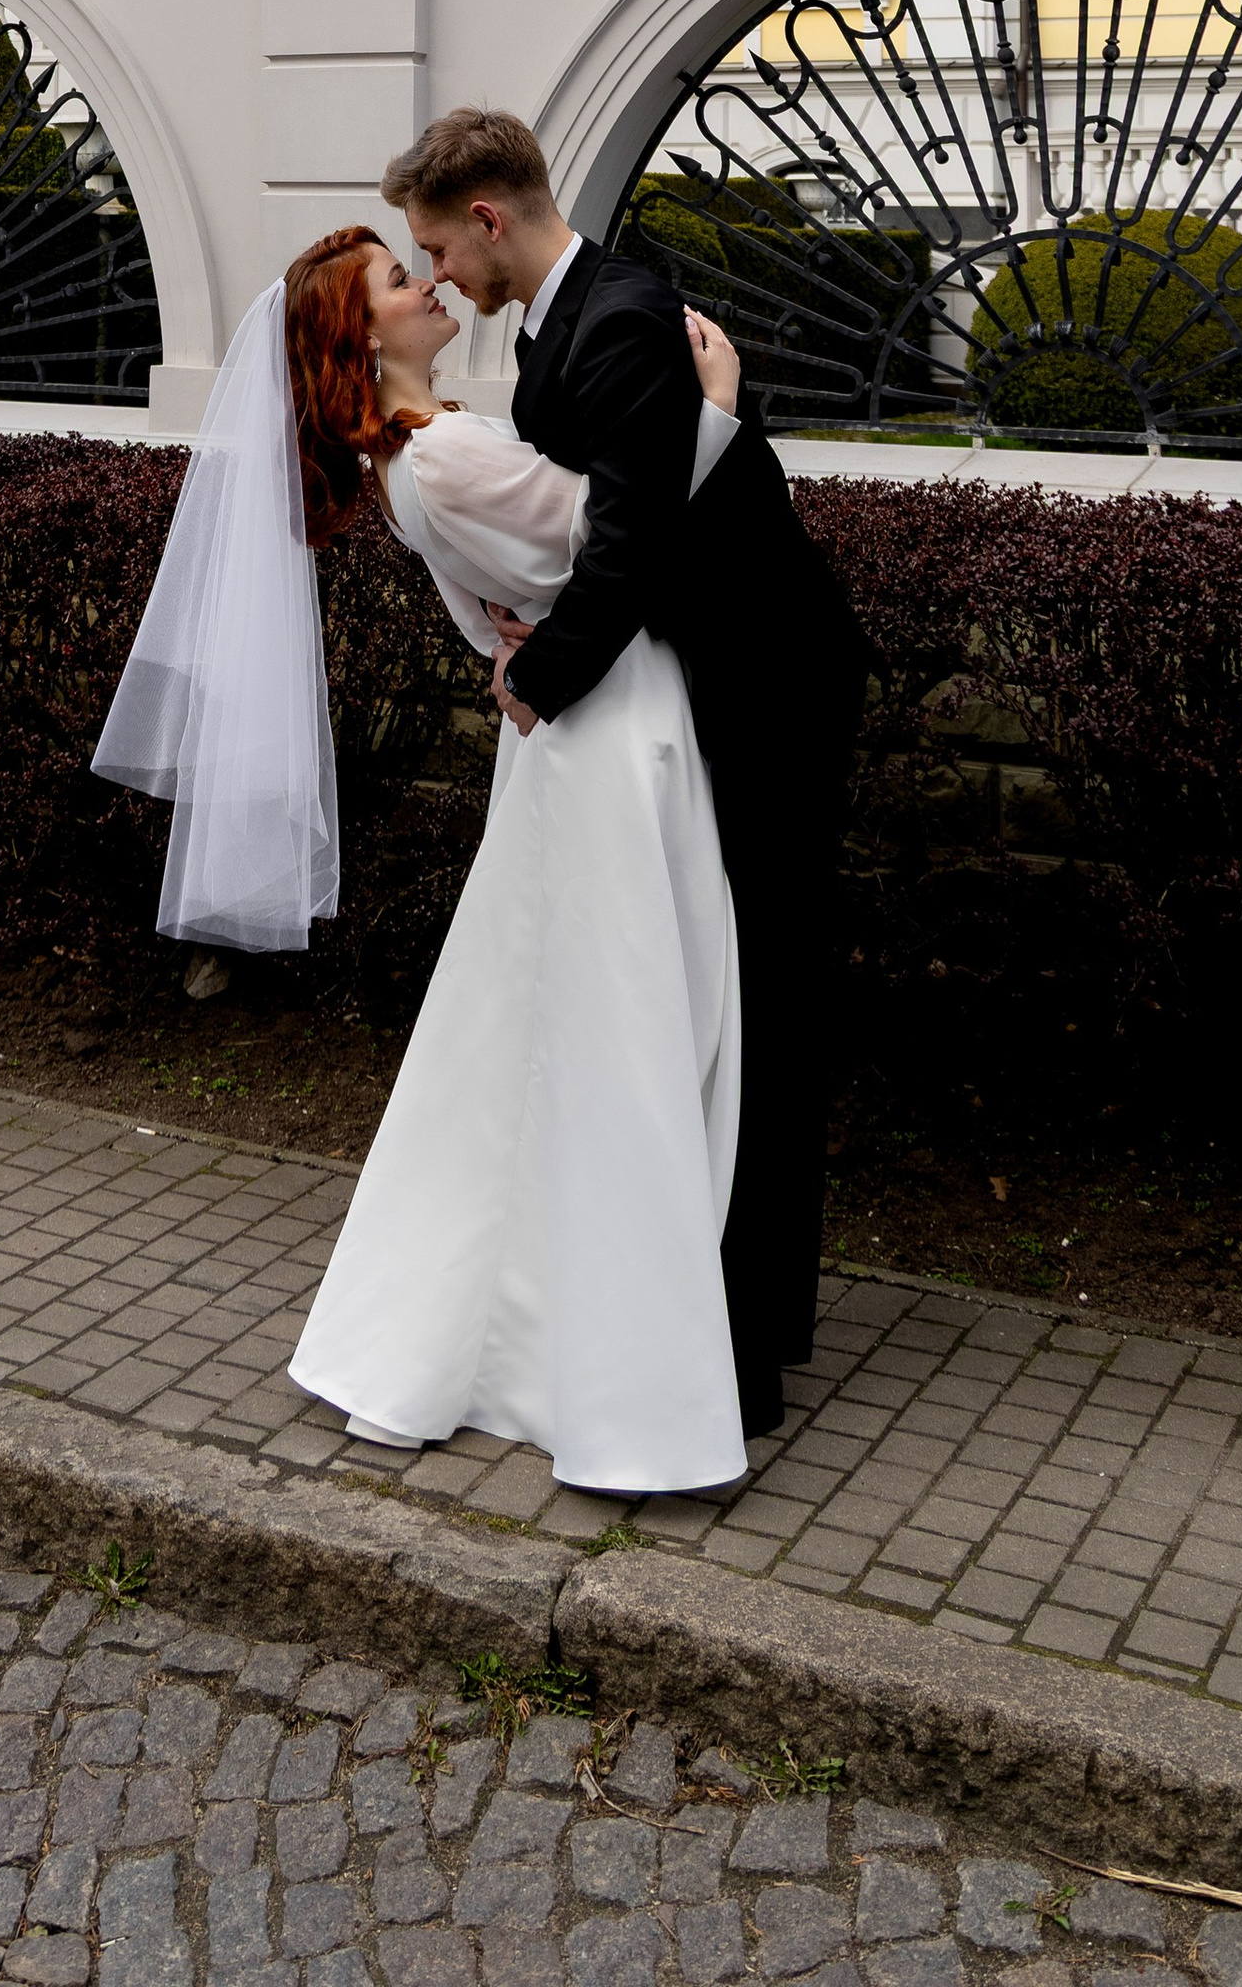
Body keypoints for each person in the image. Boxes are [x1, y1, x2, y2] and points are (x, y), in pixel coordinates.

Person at [93, 221, 756, 1496]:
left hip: (584, 731)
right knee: (607, 1040)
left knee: (540, 1046)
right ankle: (600, 1372)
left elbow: (535, 587)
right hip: (598, 747)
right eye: (403, 282)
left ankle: (528, 1328)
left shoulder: (425, 446)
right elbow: (617, 534)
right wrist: (713, 407)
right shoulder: (437, 455)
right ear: (363, 336)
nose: (429, 281)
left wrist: (523, 638)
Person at [383, 108, 867, 1443]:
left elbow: (635, 542)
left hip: (767, 685)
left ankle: (744, 1341)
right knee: (704, 994)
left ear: (488, 215)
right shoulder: (554, 336)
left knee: (757, 994)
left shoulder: (624, 314)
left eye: (438, 245)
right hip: (690, 683)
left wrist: (534, 679)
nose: (441, 276)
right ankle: (710, 1306)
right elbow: (607, 516)